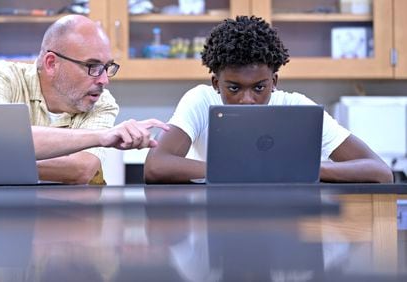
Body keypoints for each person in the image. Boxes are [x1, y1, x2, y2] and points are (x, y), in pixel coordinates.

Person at [144, 15, 393, 184]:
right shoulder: (199, 100)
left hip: (285, 225)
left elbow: (381, 172)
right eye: (233, 88)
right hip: (217, 219)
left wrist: (302, 170)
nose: (247, 100)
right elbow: (156, 166)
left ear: (274, 82)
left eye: (259, 87)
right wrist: (248, 171)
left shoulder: (297, 108)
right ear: (215, 84)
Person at [0, 15, 168, 185]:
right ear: (51, 64)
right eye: (92, 65)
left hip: (73, 221)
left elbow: (81, 169)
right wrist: (102, 136)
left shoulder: (102, 102)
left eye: (107, 67)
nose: (104, 80)